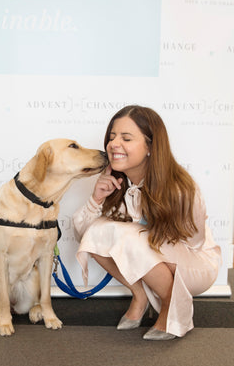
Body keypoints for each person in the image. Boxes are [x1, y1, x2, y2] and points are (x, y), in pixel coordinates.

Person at [72, 105, 221, 340]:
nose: (114, 144)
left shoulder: (179, 187)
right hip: (155, 258)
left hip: (193, 264)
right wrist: (96, 199)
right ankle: (139, 295)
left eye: (126, 138)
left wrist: (137, 233)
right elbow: (86, 236)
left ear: (150, 146)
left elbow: (193, 241)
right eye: (112, 137)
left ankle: (171, 307)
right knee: (100, 231)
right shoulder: (118, 184)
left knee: (129, 237)